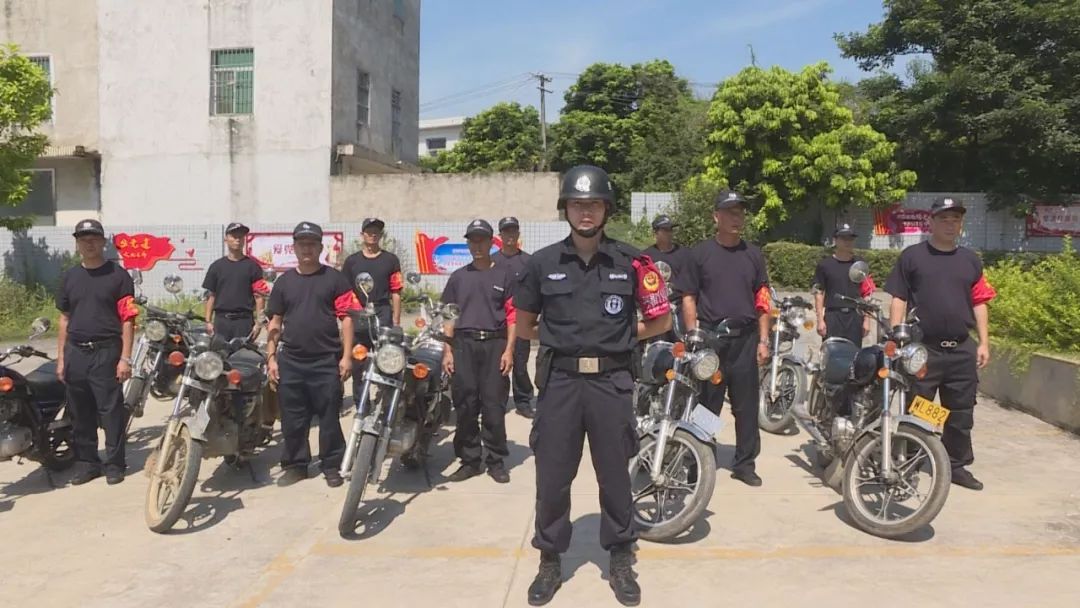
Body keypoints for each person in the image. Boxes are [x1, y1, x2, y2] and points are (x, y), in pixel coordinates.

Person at [515, 165, 671, 607]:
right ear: (565, 208)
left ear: (607, 209)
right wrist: (563, 341)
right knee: (553, 476)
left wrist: (622, 339)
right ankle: (549, 559)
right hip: (561, 383)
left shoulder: (632, 263)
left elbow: (661, 318)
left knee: (615, 476)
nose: (586, 212)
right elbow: (524, 324)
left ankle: (621, 557)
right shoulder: (541, 264)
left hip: (612, 382)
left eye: (594, 204)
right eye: (577, 204)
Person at [884, 197, 996, 491]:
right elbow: (899, 298)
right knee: (919, 408)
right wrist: (898, 336)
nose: (950, 224)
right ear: (930, 222)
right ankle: (911, 459)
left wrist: (983, 342)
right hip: (924, 349)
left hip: (961, 349)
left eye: (956, 219)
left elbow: (980, 302)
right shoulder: (912, 257)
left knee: (960, 412)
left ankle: (955, 465)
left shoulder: (970, 259)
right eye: (944, 219)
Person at [678, 191, 771, 488]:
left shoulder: (753, 254)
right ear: (715, 216)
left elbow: (762, 299)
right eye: (729, 212)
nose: (736, 217)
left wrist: (764, 339)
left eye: (740, 212)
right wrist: (694, 336)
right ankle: (700, 459)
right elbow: (688, 297)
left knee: (745, 406)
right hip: (712, 341)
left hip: (745, 340)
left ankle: (744, 463)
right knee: (707, 406)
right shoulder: (700, 254)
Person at [265, 222, 360, 488]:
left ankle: (332, 464)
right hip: (291, 360)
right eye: (302, 244)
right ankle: (296, 465)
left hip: (325, 361)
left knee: (329, 415)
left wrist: (346, 357)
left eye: (312, 244)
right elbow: (275, 322)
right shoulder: (284, 282)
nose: (307, 249)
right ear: (294, 247)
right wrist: (271, 358)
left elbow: (347, 319)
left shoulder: (335, 279)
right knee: (293, 418)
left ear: (320, 247)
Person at [56, 219, 138, 486]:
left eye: (94, 238)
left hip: (106, 352)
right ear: (77, 243)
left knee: (110, 411)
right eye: (83, 239)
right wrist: (61, 359)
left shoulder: (118, 275)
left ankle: (115, 464)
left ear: (103, 242)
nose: (89, 243)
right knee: (80, 412)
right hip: (76, 353)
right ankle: (87, 463)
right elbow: (64, 319)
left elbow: (128, 319)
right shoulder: (70, 277)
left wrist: (125, 357)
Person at [440, 219, 517, 484]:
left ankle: (495, 460)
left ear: (491, 241)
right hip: (463, 345)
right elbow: (449, 315)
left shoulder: (504, 275)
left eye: (482, 240)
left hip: (495, 345)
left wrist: (509, 350)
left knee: (494, 406)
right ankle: (470, 460)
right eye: (472, 240)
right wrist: (447, 351)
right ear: (468, 244)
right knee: (465, 404)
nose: (477, 245)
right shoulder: (458, 277)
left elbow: (512, 316)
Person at [341, 217, 403, 404]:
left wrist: (396, 321)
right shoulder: (352, 262)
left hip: (382, 314)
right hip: (358, 315)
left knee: (387, 360)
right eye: (369, 231)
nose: (373, 235)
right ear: (362, 234)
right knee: (359, 362)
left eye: (377, 231)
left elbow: (396, 291)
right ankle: (362, 405)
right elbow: (345, 291)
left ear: (381, 235)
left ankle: (385, 402)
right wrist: (351, 315)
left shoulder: (391, 260)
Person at [492, 216, 535, 418]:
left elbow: (535, 291)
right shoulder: (492, 261)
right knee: (497, 365)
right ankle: (498, 401)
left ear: (518, 234)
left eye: (513, 231)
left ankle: (523, 401)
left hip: (520, 322)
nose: (510, 235)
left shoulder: (528, 261)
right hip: (496, 322)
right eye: (506, 231)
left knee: (520, 363)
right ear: (499, 235)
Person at [203, 222, 270, 340]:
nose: (237, 239)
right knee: (219, 356)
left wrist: (258, 324)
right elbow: (211, 295)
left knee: (242, 357)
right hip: (221, 321)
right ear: (226, 239)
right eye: (234, 236)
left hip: (244, 322)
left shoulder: (253, 267)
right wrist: (208, 321)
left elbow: (259, 297)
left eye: (241, 236)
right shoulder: (217, 267)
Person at [813, 224, 875, 345]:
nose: (848, 242)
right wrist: (820, 320)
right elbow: (818, 293)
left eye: (850, 238)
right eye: (844, 238)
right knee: (831, 354)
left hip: (855, 316)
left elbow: (867, 293)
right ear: (835, 240)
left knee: (854, 355)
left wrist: (867, 320)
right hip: (833, 316)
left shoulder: (860, 264)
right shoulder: (825, 265)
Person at [643, 214, 690, 340]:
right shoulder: (646, 256)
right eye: (665, 230)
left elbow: (689, 282)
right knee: (658, 346)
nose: (669, 233)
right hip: (656, 308)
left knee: (681, 345)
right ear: (656, 233)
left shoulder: (684, 254)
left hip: (678, 307)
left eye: (670, 230)